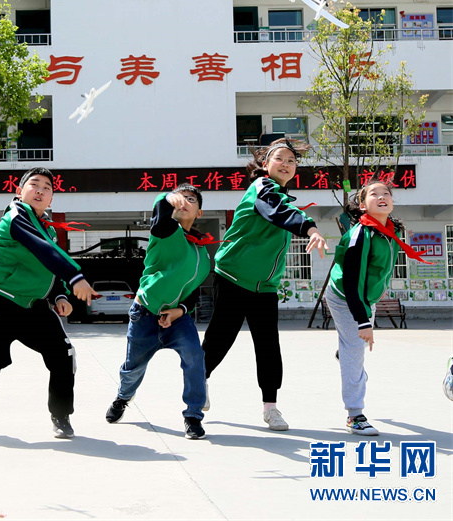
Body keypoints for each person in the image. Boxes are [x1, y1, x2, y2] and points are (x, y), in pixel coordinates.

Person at [0, 167, 97, 439]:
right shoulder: (16, 216)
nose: (41, 190)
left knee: (64, 355)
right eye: (34, 184)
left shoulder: (47, 229)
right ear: (19, 192)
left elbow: (49, 266)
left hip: (33, 307)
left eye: (47, 188)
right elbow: (43, 251)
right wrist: (76, 277)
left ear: (51, 199)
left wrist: (59, 295)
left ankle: (61, 415)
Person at [201, 139, 328, 431]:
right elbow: (277, 212)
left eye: (291, 161)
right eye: (279, 159)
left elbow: (286, 210)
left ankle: (270, 408)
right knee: (221, 336)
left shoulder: (282, 197)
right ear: (265, 164)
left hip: (266, 286)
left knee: (269, 345)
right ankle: (199, 382)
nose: (285, 164)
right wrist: (309, 227)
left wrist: (307, 223)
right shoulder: (262, 189)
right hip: (233, 276)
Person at [105, 184, 214, 440]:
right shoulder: (166, 232)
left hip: (178, 318)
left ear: (199, 213)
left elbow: (194, 292)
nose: (185, 202)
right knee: (132, 368)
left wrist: (179, 310)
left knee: (195, 357)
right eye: (181, 198)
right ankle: (123, 398)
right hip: (145, 314)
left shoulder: (201, 251)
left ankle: (193, 416)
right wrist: (165, 198)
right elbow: (160, 217)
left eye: (191, 200)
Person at [326, 180, 429, 435]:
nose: (382, 196)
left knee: (354, 349)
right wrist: (362, 321)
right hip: (345, 297)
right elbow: (352, 281)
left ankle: (348, 354)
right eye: (374, 194)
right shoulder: (361, 234)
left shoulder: (388, 231)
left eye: (386, 193)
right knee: (355, 352)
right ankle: (355, 415)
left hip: (364, 298)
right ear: (363, 205)